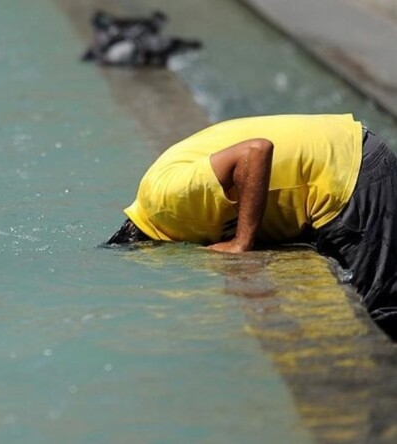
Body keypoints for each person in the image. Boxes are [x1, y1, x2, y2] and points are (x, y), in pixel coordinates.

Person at [107, 114, 397, 339]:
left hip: (348, 172)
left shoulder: (164, 202)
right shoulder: (162, 202)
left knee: (379, 314)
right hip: (342, 157)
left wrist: (241, 243)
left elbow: (255, 151)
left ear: (145, 246)